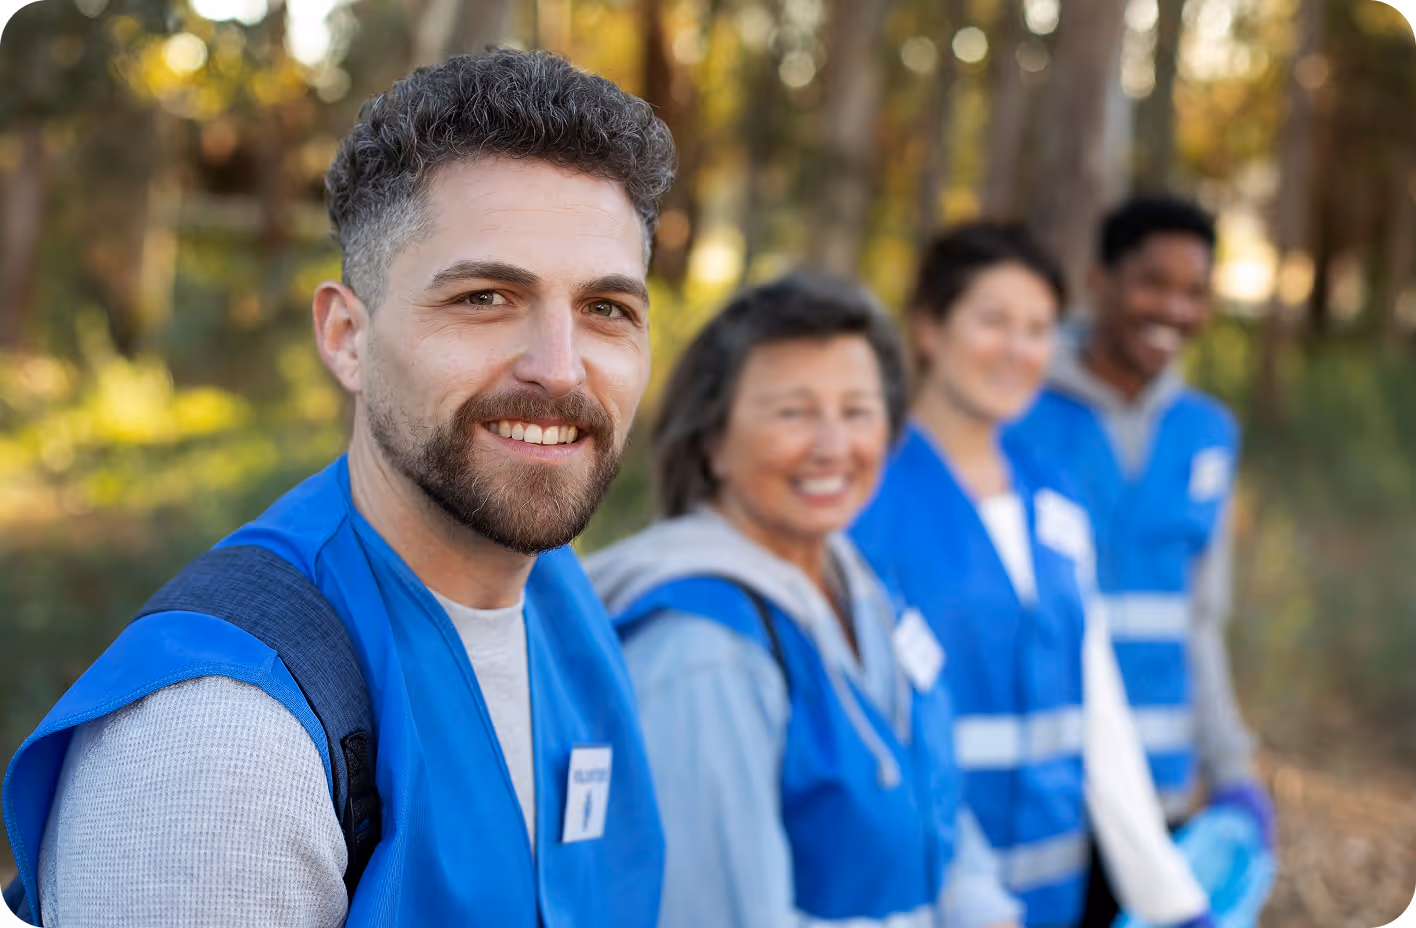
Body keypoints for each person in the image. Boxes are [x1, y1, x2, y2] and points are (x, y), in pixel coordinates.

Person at [3, 49, 675, 927]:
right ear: (346, 336)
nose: (558, 368)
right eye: (483, 298)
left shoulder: (561, 599)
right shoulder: (216, 754)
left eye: (607, 310)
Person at [587, 275, 1022, 928]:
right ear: (712, 440)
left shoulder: (866, 591)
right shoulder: (703, 648)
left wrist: (984, 910)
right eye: (793, 412)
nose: (833, 446)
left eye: (857, 411)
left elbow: (935, 801)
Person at [851, 223, 1212, 928]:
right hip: (916, 900)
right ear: (929, 328)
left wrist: (1169, 901)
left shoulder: (1056, 497)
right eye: (993, 322)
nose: (1018, 351)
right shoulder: (862, 500)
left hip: (1054, 899)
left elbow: (1098, 712)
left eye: (1038, 329)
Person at [1005, 197, 1273, 926]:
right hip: (1043, 791)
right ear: (1101, 282)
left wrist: (1232, 767)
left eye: (1195, 292)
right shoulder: (1017, 410)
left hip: (1164, 795)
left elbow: (1201, 621)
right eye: (1154, 282)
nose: (1175, 309)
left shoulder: (1209, 432)